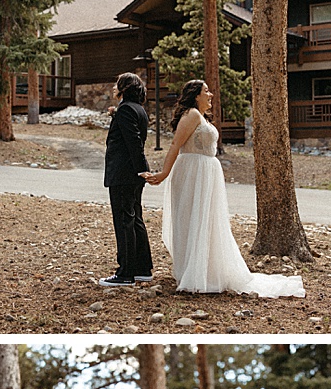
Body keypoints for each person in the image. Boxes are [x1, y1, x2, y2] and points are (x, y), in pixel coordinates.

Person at [142, 79, 305, 296]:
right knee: (193, 218)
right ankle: (192, 271)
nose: (210, 95)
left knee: (208, 220)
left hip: (207, 172)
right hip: (192, 171)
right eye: (206, 91)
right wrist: (163, 173)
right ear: (195, 95)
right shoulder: (191, 115)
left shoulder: (201, 118)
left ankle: (207, 269)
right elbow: (175, 144)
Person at [100, 72, 154, 287]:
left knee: (124, 221)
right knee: (135, 219)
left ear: (124, 88)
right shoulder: (138, 109)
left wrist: (142, 170)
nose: (114, 88)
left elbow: (134, 143)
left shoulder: (126, 110)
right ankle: (142, 268)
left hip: (124, 174)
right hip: (133, 174)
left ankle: (125, 273)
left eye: (117, 84)